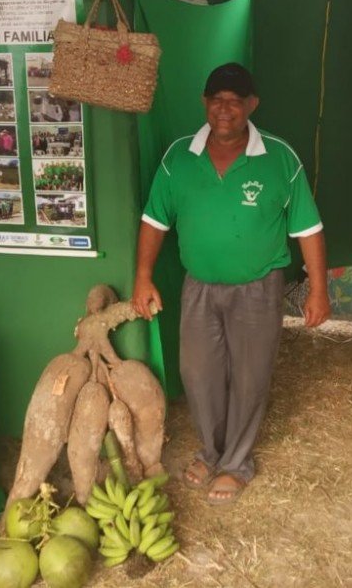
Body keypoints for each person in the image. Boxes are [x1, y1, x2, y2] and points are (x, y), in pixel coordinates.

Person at [131, 62, 330, 506]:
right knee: (198, 374)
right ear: (205, 103)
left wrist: (318, 290)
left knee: (249, 376)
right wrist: (143, 277)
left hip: (258, 287)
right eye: (217, 100)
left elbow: (309, 230)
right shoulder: (179, 157)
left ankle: (236, 463)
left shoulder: (279, 157)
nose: (225, 109)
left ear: (251, 105)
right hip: (199, 286)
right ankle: (210, 451)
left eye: (235, 101)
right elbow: (154, 220)